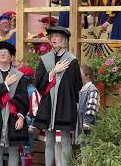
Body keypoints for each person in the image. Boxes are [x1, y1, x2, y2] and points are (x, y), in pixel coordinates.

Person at [33, 26, 83, 166]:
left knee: (66, 140)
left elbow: (77, 86)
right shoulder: (45, 59)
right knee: (49, 140)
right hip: (48, 104)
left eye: (57, 36)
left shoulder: (72, 60)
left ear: (64, 40)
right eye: (52, 37)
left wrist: (74, 107)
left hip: (65, 104)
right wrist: (54, 71)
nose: (54, 39)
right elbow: (37, 82)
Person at [0, 41, 29, 166]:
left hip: (13, 116)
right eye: (0, 52)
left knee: (13, 149)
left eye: (6, 52)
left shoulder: (19, 76)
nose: (3, 53)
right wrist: (5, 85)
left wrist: (21, 117)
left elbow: (24, 98)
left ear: (11, 57)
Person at [17, 66, 41, 166]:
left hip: (28, 124)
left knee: (27, 149)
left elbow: (36, 109)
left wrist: (33, 125)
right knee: (20, 149)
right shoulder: (19, 90)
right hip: (18, 124)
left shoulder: (32, 91)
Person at [76, 65, 99, 143]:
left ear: (87, 75)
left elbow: (92, 106)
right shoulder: (82, 89)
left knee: (88, 145)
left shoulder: (91, 89)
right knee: (83, 146)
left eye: (80, 73)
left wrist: (87, 122)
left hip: (88, 126)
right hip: (82, 125)